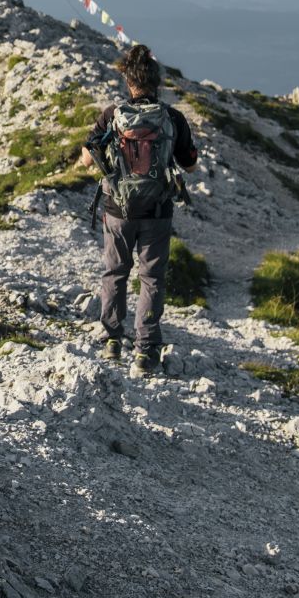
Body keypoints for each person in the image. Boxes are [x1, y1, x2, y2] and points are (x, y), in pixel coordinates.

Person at [81, 44, 198, 376]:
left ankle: (112, 340)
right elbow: (190, 165)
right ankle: (145, 352)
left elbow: (87, 159)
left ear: (128, 82)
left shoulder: (112, 114)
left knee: (115, 272)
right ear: (156, 82)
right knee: (151, 279)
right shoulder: (172, 118)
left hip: (117, 210)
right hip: (157, 212)